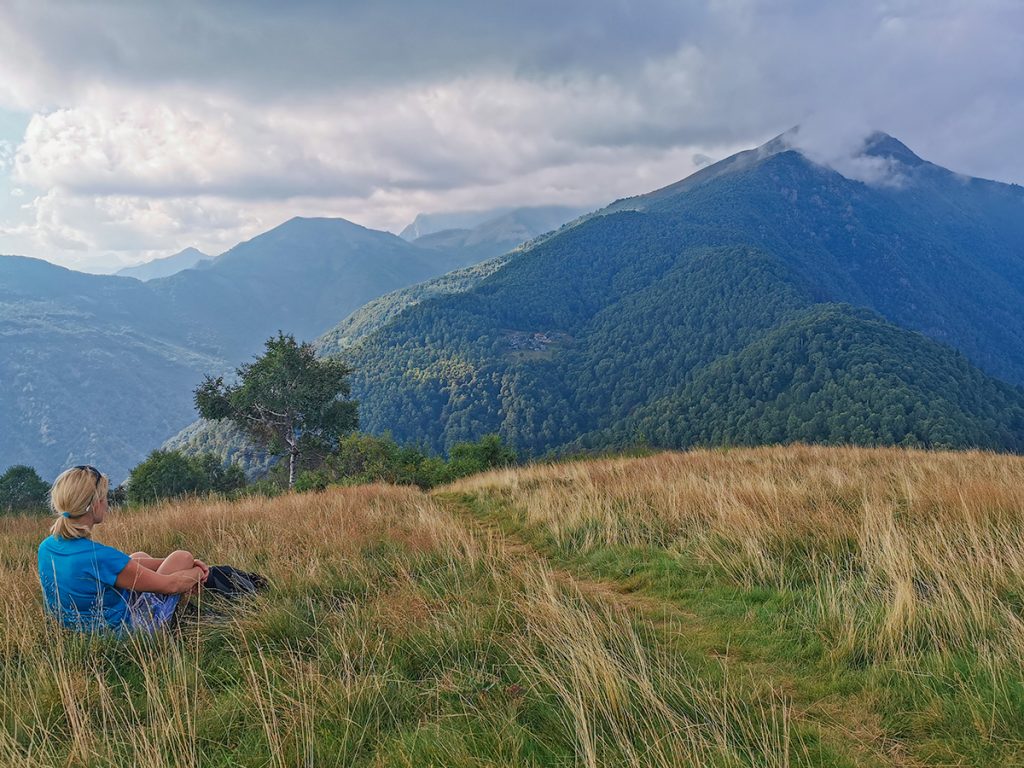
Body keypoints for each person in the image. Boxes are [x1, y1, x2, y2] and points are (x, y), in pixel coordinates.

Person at [37, 465, 209, 633]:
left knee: (138, 556)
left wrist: (169, 564)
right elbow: (172, 585)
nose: (107, 503)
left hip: (77, 630)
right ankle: (175, 622)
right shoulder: (98, 557)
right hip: (125, 634)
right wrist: (198, 572)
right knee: (182, 557)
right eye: (105, 497)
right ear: (95, 504)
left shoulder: (46, 547)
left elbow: (121, 566)